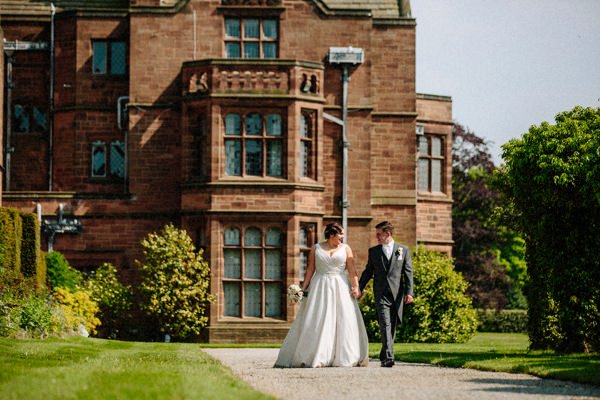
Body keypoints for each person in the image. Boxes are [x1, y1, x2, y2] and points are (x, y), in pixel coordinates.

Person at [274, 222, 369, 368]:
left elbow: (352, 270)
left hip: (340, 286)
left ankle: (344, 356)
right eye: (340, 234)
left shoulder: (346, 248)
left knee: (343, 318)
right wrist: (302, 288)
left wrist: (356, 286)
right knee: (318, 317)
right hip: (320, 286)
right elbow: (310, 270)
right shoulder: (316, 248)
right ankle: (316, 354)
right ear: (331, 235)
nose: (343, 237)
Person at [358, 221, 414, 367]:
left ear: (387, 234)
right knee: (385, 324)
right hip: (381, 294)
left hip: (396, 295)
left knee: (392, 326)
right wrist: (360, 288)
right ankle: (389, 356)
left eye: (379, 234)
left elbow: (408, 273)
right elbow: (368, 272)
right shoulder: (374, 252)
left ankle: (384, 354)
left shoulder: (403, 250)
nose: (376, 237)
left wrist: (409, 292)